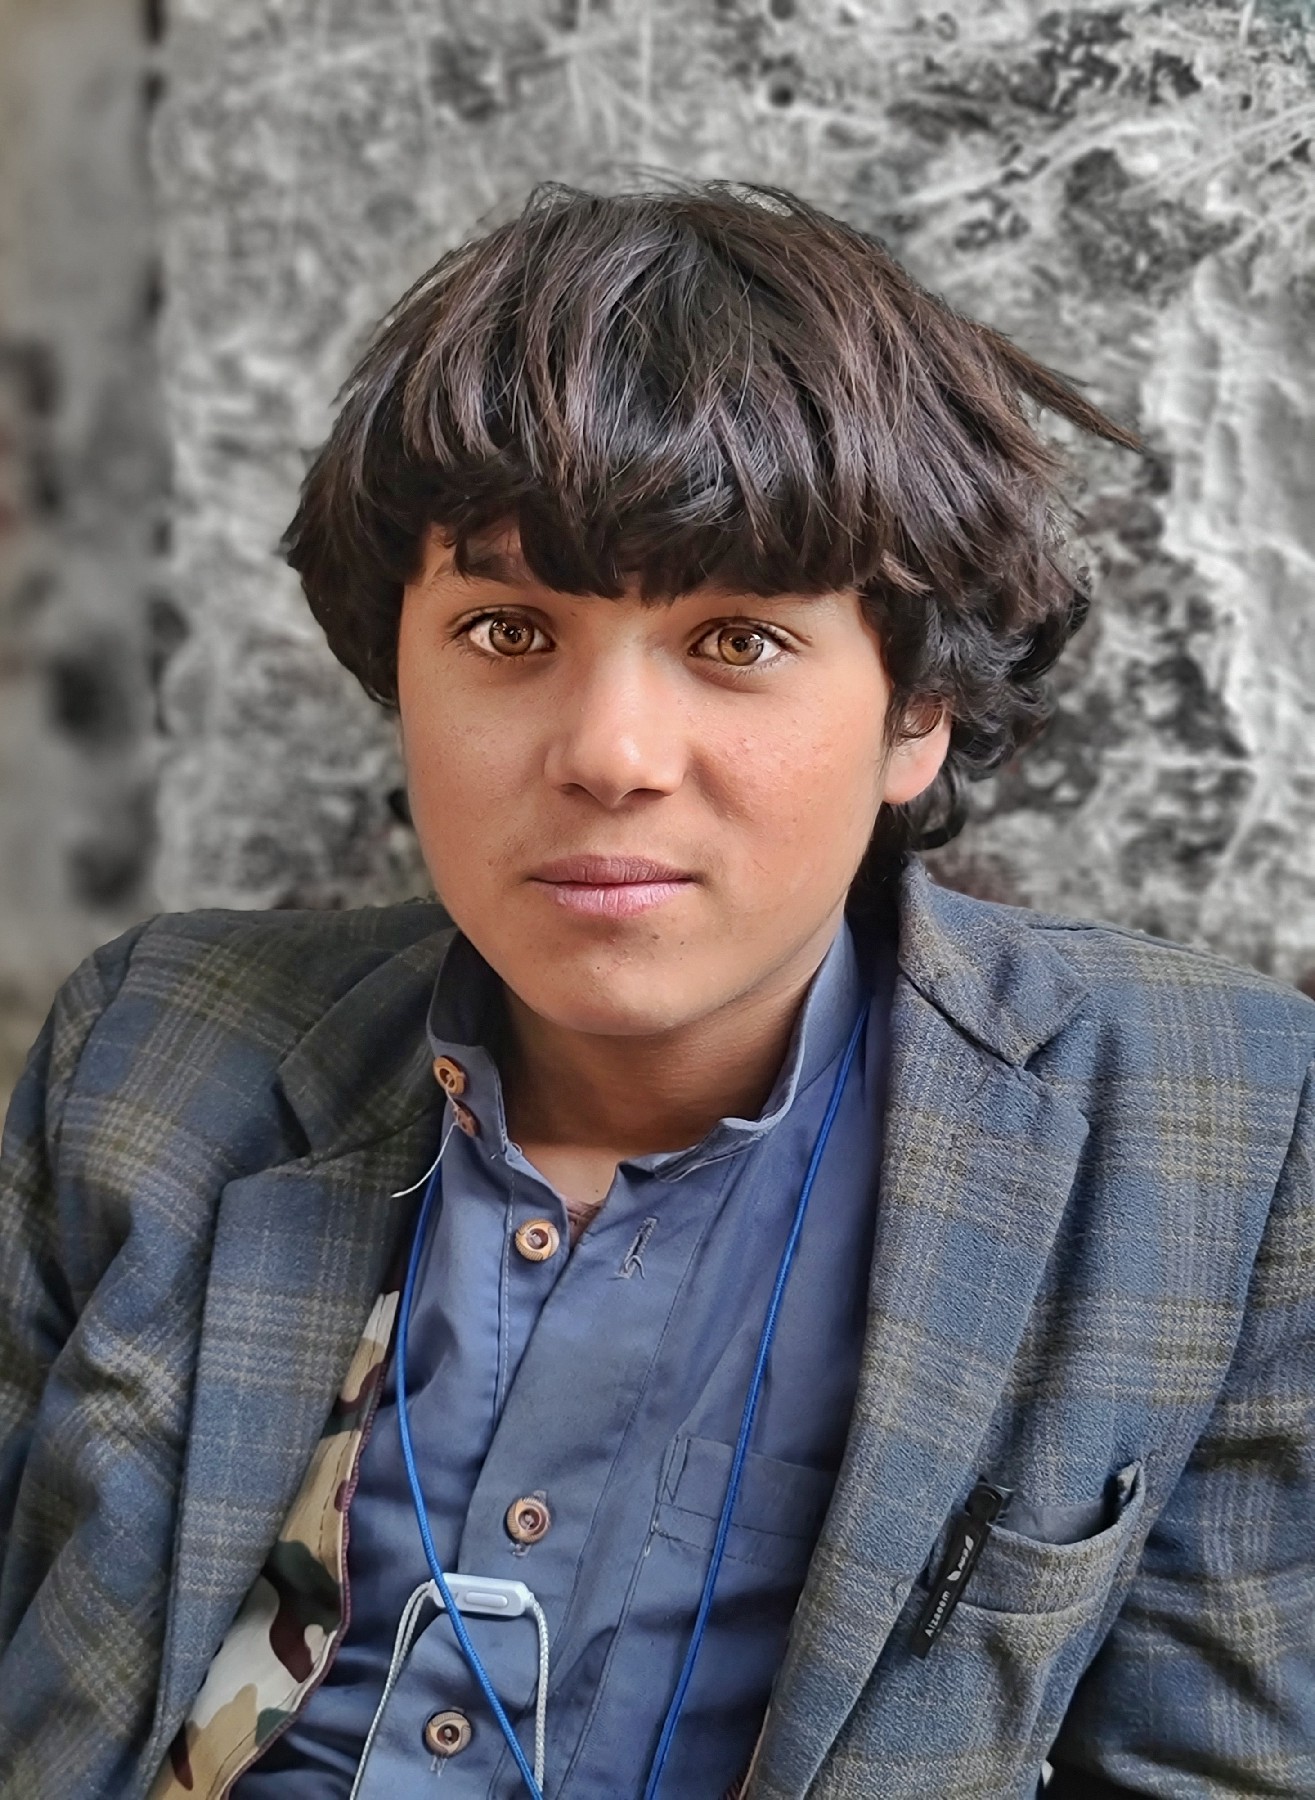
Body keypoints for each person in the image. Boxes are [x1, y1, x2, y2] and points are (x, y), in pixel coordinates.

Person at [1, 179, 1311, 1800]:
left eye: (738, 640)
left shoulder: (1221, 1136)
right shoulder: (151, 1049)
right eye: (506, 631)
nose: (610, 756)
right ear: (394, 664)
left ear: (917, 715)